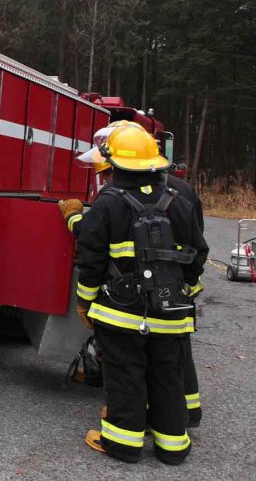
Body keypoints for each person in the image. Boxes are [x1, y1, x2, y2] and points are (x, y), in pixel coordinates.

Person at [71, 126, 207, 464]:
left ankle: (123, 443)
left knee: (126, 372)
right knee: (167, 375)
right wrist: (180, 295)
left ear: (113, 163)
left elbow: (91, 259)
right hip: (170, 309)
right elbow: (198, 254)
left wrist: (85, 302)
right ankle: (173, 448)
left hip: (121, 311)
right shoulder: (179, 200)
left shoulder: (107, 203)